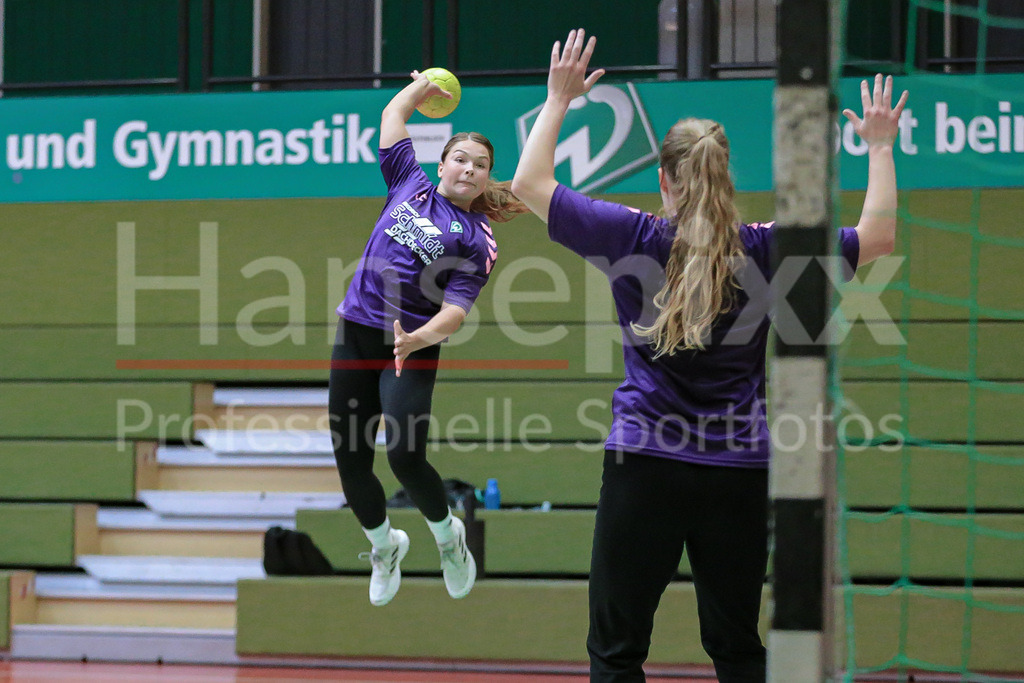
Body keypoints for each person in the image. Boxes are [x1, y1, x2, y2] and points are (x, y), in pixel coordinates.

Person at [510, 29, 907, 683]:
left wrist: (559, 99)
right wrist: (881, 146)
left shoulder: (630, 234)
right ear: (726, 177)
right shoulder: (771, 247)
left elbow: (528, 182)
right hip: (741, 472)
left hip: (644, 464)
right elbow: (880, 236)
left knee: (616, 650)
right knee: (737, 646)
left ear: (663, 177)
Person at [329, 71, 527, 607]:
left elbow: (456, 312)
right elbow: (392, 121)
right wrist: (419, 93)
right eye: (460, 158)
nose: (469, 168)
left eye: (480, 165)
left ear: (486, 178)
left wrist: (418, 338)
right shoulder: (407, 182)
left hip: (410, 345)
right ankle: (384, 545)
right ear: (441, 164)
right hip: (356, 332)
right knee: (349, 457)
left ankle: (448, 538)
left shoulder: (476, 240)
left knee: (404, 455)